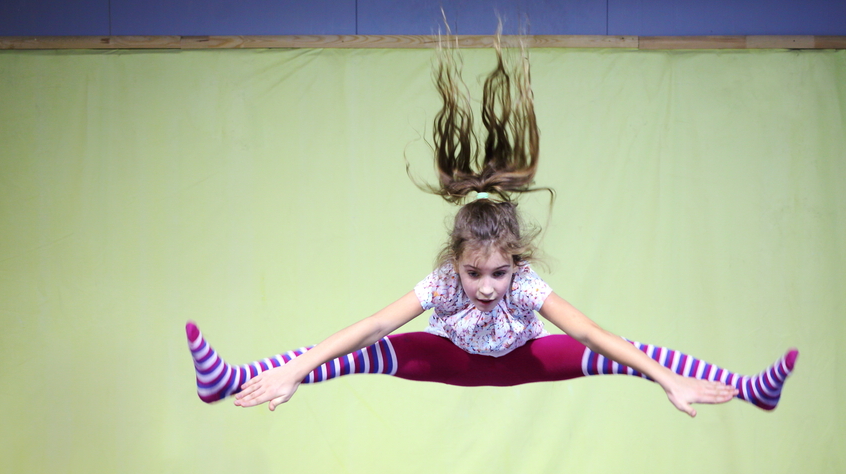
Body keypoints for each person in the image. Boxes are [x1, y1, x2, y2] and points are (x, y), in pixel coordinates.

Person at [186, 35, 797, 417]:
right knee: (365, 350)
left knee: (621, 355)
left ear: (516, 263)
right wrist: (295, 372)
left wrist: (666, 382)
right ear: (455, 261)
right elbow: (371, 323)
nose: (484, 286)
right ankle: (233, 381)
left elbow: (594, 331)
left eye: (498, 273)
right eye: (473, 272)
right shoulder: (444, 286)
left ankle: (748, 390)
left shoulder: (525, 286)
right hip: (447, 359)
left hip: (525, 359)